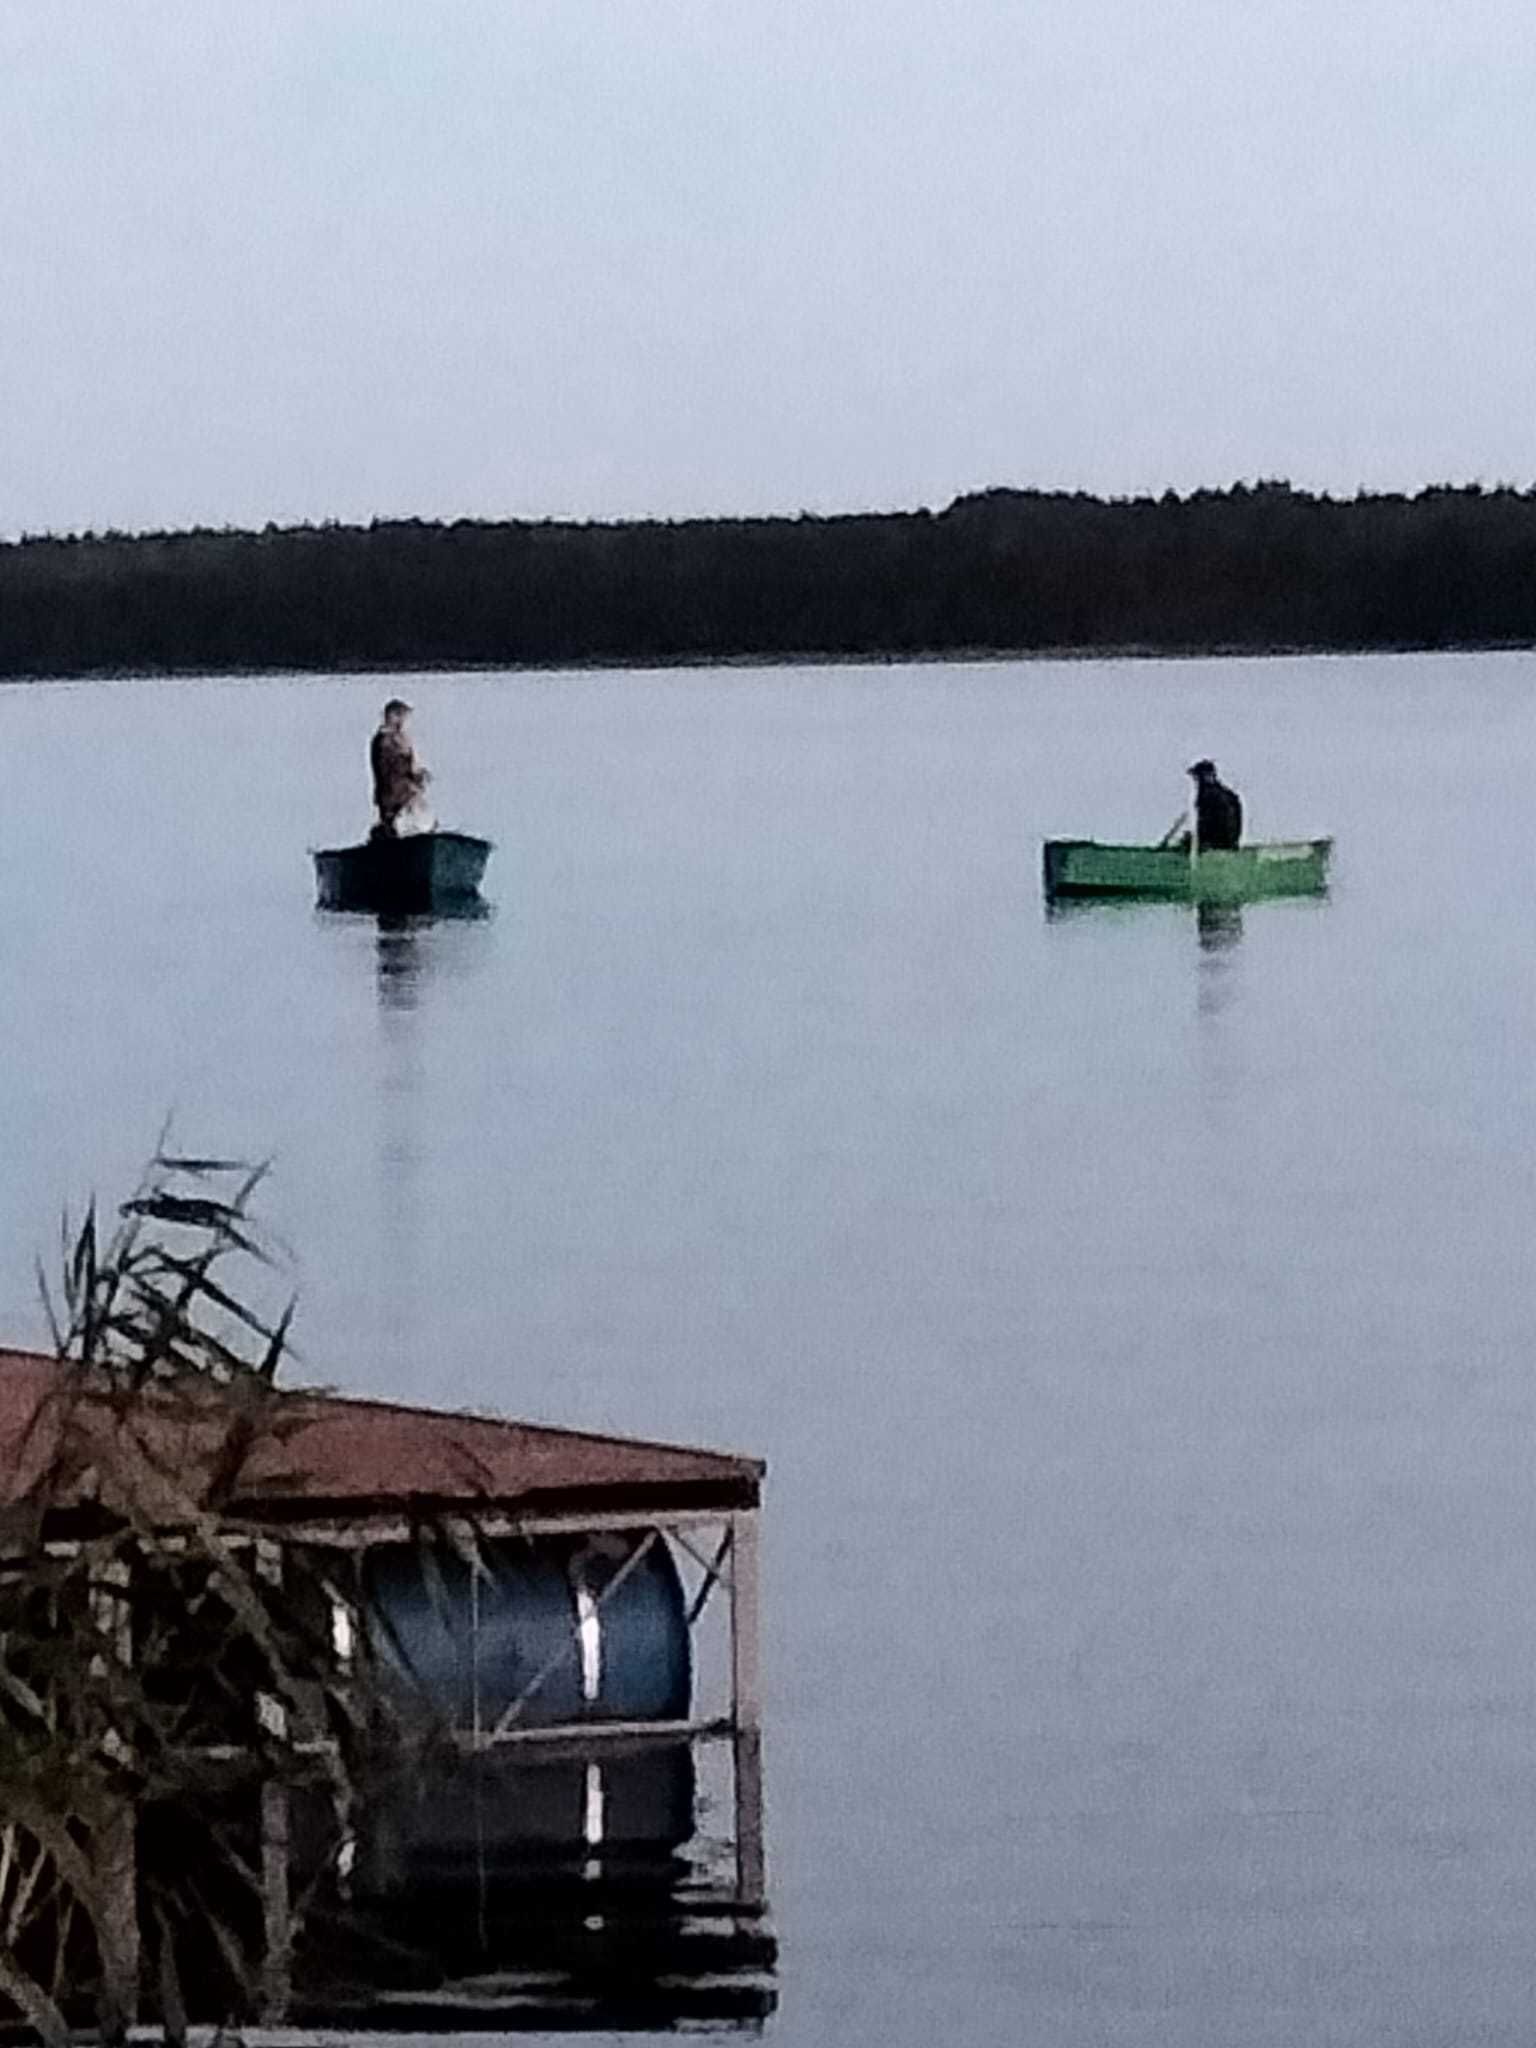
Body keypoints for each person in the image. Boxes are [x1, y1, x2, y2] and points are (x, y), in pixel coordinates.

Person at [369, 698, 434, 837]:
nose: (405, 722)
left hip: (401, 797)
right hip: (397, 799)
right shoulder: (386, 740)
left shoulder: (396, 739)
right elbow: (392, 772)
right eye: (402, 716)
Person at [1159, 758, 1242, 851]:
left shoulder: (1208, 795)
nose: (1195, 781)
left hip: (1216, 843)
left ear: (1206, 776)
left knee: (1186, 842)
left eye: (1197, 777)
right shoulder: (1229, 795)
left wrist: (1197, 839)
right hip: (1230, 843)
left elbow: (1208, 823)